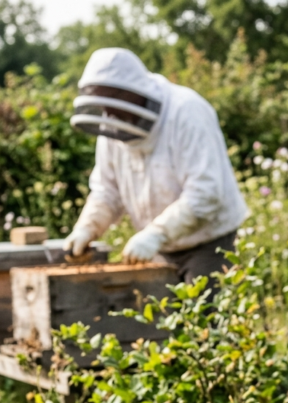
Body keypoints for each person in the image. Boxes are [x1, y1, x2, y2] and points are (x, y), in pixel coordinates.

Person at [63, 48, 248, 285]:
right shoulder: (113, 127)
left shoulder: (187, 112)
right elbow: (107, 191)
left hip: (209, 243)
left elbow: (205, 194)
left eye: (112, 101)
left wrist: (155, 235)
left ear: (130, 92)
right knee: (161, 320)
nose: (108, 112)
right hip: (159, 249)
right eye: (102, 102)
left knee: (207, 318)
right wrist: (86, 228)